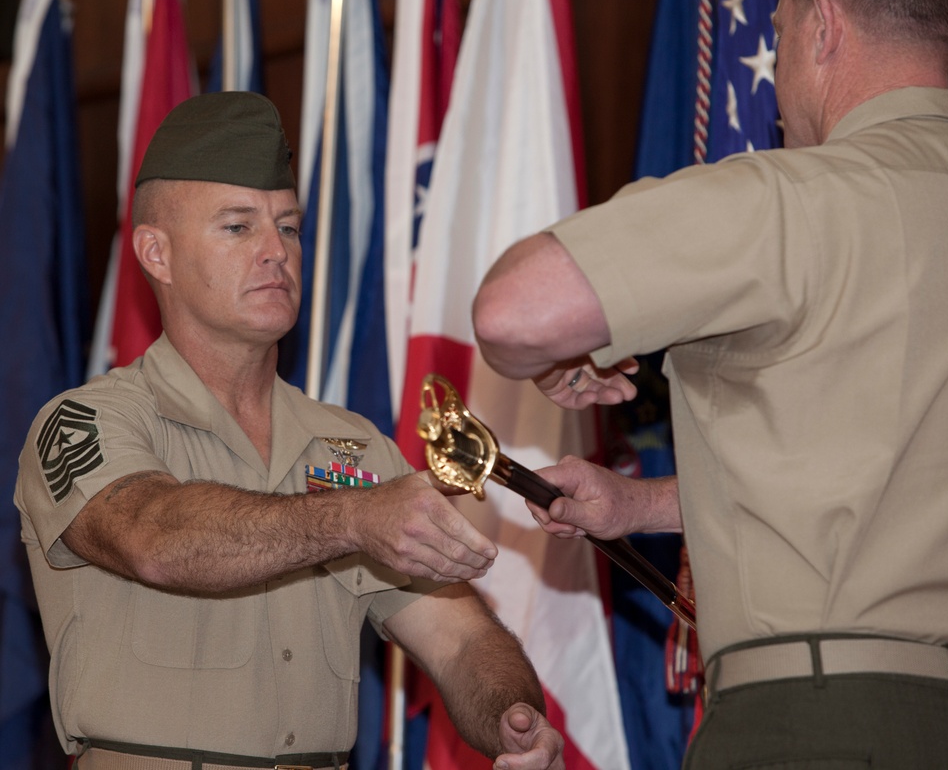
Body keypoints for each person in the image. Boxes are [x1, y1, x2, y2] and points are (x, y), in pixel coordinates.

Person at [472, 0, 948, 767]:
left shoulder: (787, 199)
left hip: (817, 727)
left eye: (780, 33)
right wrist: (641, 507)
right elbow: (897, 467)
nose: (781, 69)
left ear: (823, 28)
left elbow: (511, 310)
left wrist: (552, 352)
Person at [14, 91, 564, 770]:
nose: (277, 251)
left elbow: (458, 636)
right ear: (156, 252)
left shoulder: (354, 446)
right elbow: (155, 537)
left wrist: (513, 714)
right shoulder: (86, 421)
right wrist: (353, 519)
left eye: (291, 228)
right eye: (238, 227)